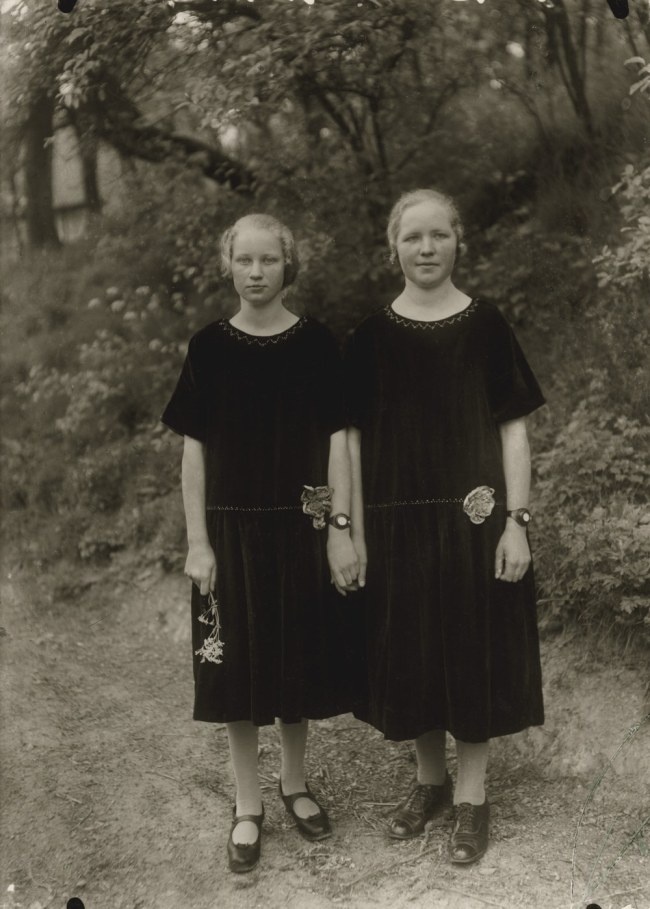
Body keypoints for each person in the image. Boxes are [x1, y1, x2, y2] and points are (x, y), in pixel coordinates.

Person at [345, 188, 545, 864]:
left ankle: (472, 798)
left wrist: (517, 522)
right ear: (392, 247)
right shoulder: (370, 337)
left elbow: (514, 429)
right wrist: (349, 528)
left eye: (438, 235)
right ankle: (429, 782)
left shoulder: (487, 325)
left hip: (475, 522)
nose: (426, 249)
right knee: (413, 653)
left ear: (460, 241)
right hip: (397, 522)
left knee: (471, 650)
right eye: (412, 238)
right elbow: (345, 440)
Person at [162, 213, 360, 873]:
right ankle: (248, 802)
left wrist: (338, 530)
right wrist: (198, 541)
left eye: (267, 261)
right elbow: (195, 450)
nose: (255, 272)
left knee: (293, 664)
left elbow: (337, 443)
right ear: (229, 265)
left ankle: (295, 783)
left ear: (287, 265)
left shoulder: (316, 344)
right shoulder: (209, 348)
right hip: (230, 531)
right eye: (244, 260)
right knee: (237, 669)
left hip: (299, 526)